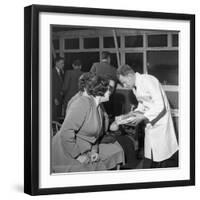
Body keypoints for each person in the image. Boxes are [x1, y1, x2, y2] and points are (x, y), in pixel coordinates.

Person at [52, 72, 124, 173]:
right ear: (100, 91)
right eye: (108, 89)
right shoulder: (83, 103)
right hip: (65, 151)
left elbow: (96, 136)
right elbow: (66, 131)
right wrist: (77, 156)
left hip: (84, 148)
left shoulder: (98, 106)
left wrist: (94, 150)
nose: (110, 92)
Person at [116, 64, 179, 168]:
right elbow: (143, 104)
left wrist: (142, 116)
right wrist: (133, 113)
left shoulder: (149, 81)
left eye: (124, 82)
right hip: (150, 123)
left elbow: (160, 106)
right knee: (152, 154)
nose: (124, 85)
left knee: (164, 154)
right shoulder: (135, 86)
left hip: (160, 122)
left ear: (129, 76)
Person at [90, 51, 117, 118]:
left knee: (97, 114)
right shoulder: (113, 69)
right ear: (108, 58)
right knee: (108, 114)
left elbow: (90, 78)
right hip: (109, 96)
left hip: (96, 95)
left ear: (101, 58)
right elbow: (115, 82)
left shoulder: (95, 65)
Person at [52, 56, 64, 121]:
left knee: (58, 114)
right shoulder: (52, 72)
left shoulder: (61, 72)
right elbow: (51, 86)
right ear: (56, 63)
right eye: (61, 63)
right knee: (54, 115)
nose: (63, 65)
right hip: (55, 97)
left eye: (63, 63)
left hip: (60, 97)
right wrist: (54, 98)